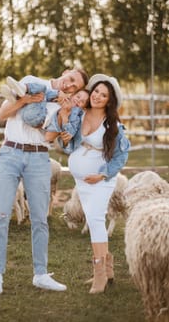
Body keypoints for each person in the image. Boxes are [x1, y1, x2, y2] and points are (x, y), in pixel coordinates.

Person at [0, 68, 89, 295]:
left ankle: (41, 274)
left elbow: (49, 137)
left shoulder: (65, 106)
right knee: (1, 213)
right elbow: (3, 113)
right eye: (70, 79)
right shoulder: (31, 81)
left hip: (40, 157)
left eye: (75, 87)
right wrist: (26, 99)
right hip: (10, 152)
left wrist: (62, 114)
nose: (69, 86)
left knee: (40, 218)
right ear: (64, 72)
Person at [59, 74, 130, 294]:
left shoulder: (113, 125)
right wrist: (67, 142)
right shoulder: (79, 115)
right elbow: (70, 147)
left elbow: (121, 156)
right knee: (93, 219)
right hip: (81, 179)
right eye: (96, 92)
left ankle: (99, 274)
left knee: (96, 221)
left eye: (104, 95)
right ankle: (107, 272)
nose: (98, 96)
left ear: (109, 100)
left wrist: (103, 175)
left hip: (100, 179)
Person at [1, 79, 90, 142]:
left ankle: (20, 92)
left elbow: (64, 133)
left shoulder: (74, 115)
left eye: (82, 102)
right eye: (78, 97)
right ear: (72, 95)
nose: (78, 100)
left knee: (42, 90)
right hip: (27, 111)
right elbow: (45, 97)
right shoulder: (61, 100)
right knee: (42, 91)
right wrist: (57, 95)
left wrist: (65, 115)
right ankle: (17, 93)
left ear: (83, 108)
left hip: (38, 119)